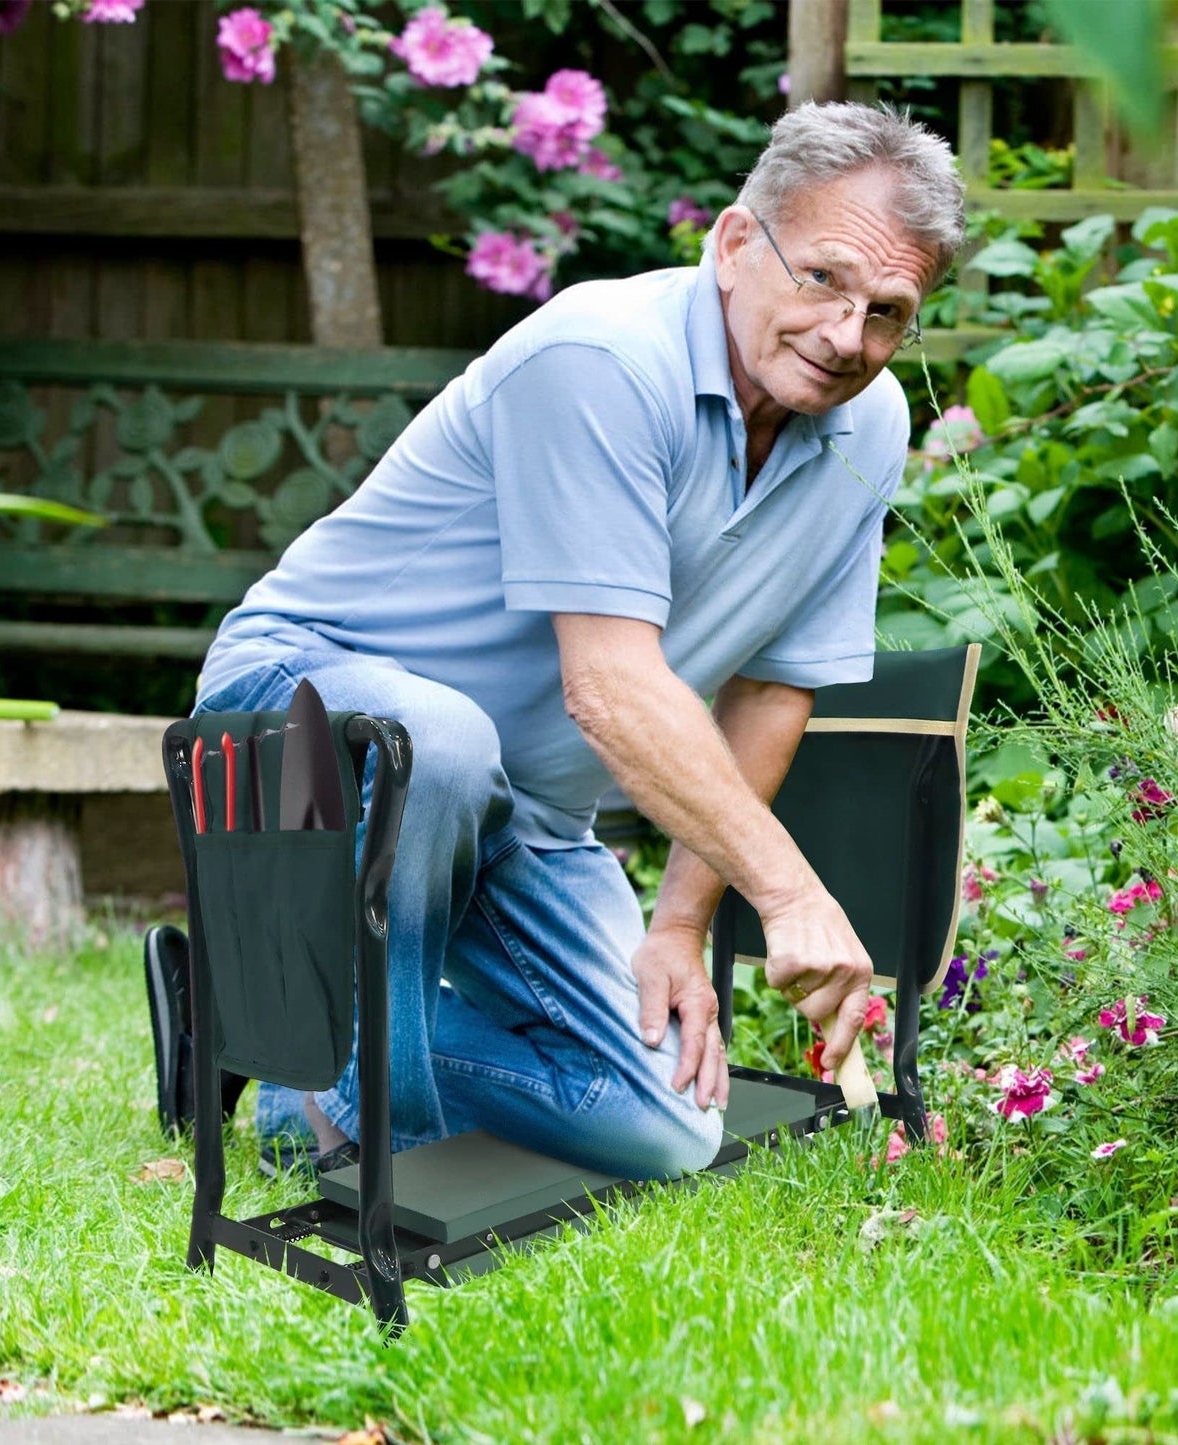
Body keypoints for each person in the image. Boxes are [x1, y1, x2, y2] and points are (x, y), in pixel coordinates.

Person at [154, 100, 964, 1181]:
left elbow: (773, 687)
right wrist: (788, 892)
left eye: (886, 312)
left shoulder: (867, 425)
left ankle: (265, 1033)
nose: (844, 336)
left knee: (663, 1128)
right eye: (821, 278)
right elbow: (611, 688)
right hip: (299, 713)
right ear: (734, 243)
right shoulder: (601, 357)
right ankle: (365, 1136)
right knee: (433, 738)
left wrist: (679, 922)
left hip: (524, 809)